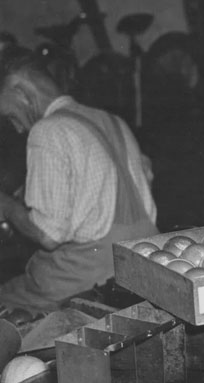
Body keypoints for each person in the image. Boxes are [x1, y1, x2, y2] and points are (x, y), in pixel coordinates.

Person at [0, 55, 158, 359]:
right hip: (140, 265)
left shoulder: (47, 130)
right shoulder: (112, 120)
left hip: (88, 278)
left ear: (22, 92)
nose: (16, 127)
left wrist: (6, 205)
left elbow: (48, 235)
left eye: (10, 115)